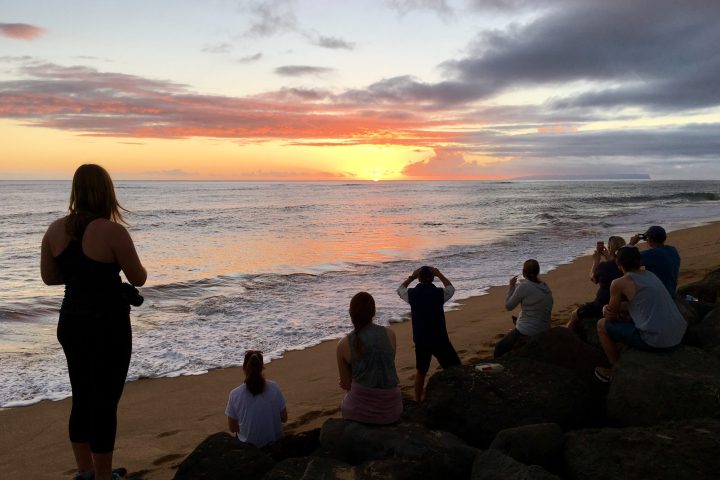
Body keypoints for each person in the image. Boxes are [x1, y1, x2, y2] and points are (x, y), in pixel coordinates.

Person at [41, 164, 147, 480]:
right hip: (107, 324)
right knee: (105, 402)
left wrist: (80, 274)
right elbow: (138, 277)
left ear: (75, 191)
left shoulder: (55, 230)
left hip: (71, 322)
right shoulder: (112, 231)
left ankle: (86, 471)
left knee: (82, 396)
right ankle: (103, 476)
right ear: (106, 192)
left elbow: (49, 277)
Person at [595, 246, 687, 382]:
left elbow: (611, 315)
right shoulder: (650, 275)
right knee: (626, 316)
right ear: (639, 261)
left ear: (618, 264)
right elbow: (637, 303)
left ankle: (615, 370)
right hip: (678, 334)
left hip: (656, 341)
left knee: (601, 325)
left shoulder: (619, 283)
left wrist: (605, 310)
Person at [336, 292, 403, 424]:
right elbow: (385, 366)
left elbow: (345, 384)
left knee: (345, 403)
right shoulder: (390, 334)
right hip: (393, 408)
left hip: (361, 412)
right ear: (373, 312)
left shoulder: (343, 344)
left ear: (351, 313)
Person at [397, 266, 460, 402]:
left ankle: (418, 399)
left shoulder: (412, 294)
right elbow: (451, 289)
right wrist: (440, 274)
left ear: (419, 279)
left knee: (421, 371)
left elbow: (400, 290)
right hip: (439, 338)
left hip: (421, 339)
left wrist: (411, 277)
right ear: (433, 278)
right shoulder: (438, 293)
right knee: (454, 367)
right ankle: (456, 394)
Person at [226, 350, 288, 447]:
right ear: (262, 367)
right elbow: (284, 418)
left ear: (244, 367)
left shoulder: (235, 394)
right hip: (275, 442)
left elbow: (233, 428)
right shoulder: (274, 387)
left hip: (249, 445)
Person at [494, 259, 553, 358]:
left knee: (499, 348)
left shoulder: (524, 287)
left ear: (523, 272)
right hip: (544, 328)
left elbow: (509, 306)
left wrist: (511, 286)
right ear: (538, 272)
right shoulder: (545, 287)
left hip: (528, 330)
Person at [567, 236, 626, 334]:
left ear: (610, 249)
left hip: (601, 305)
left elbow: (593, 279)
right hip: (621, 305)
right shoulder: (626, 266)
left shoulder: (604, 266)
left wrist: (596, 262)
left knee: (574, 315)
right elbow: (614, 267)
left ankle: (567, 336)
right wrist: (609, 258)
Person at [629, 225, 680, 297]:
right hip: (671, 290)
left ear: (650, 239)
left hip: (659, 294)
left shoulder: (652, 254)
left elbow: (625, 259)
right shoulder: (673, 250)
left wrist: (631, 244)